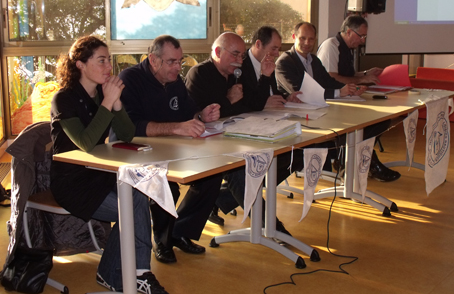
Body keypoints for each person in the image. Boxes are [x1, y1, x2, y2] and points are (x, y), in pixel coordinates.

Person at [50, 36, 169, 293]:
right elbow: (85, 142)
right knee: (131, 209)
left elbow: (126, 135)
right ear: (80, 64)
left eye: (109, 60)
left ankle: (126, 272)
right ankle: (133, 273)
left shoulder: (102, 95)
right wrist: (107, 102)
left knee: (138, 195)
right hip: (73, 184)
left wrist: (115, 104)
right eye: (101, 60)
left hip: (101, 176)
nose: (108, 67)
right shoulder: (63, 99)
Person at [119, 35, 223, 265]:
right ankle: (163, 242)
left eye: (180, 61)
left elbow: (189, 112)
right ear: (153, 60)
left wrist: (201, 116)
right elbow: (132, 127)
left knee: (211, 176)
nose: (178, 67)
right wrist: (177, 128)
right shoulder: (130, 79)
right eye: (171, 62)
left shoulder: (175, 80)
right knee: (167, 188)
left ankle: (181, 231)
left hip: (171, 148)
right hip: (135, 151)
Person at [185, 31, 301, 235]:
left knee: (290, 154)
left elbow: (253, 104)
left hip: (235, 136)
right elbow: (206, 115)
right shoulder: (199, 74)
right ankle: (271, 226)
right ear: (218, 51)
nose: (240, 61)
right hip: (205, 143)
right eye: (235, 55)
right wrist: (229, 101)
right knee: (243, 169)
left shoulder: (235, 74)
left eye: (241, 57)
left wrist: (265, 77)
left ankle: (223, 199)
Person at [276, 22, 400, 182]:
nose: (307, 43)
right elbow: (301, 93)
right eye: (303, 38)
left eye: (311, 39)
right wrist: (339, 92)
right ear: (294, 37)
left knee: (377, 122)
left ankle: (351, 160)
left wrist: (350, 88)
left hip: (319, 110)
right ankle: (352, 161)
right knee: (350, 127)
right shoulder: (285, 61)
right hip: (300, 117)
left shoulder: (313, 60)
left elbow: (328, 81)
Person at [317, 15, 383, 85]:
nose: (363, 40)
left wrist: (366, 73)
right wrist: (362, 79)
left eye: (364, 36)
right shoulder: (331, 45)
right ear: (349, 32)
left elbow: (348, 76)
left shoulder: (348, 48)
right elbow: (331, 78)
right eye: (361, 36)